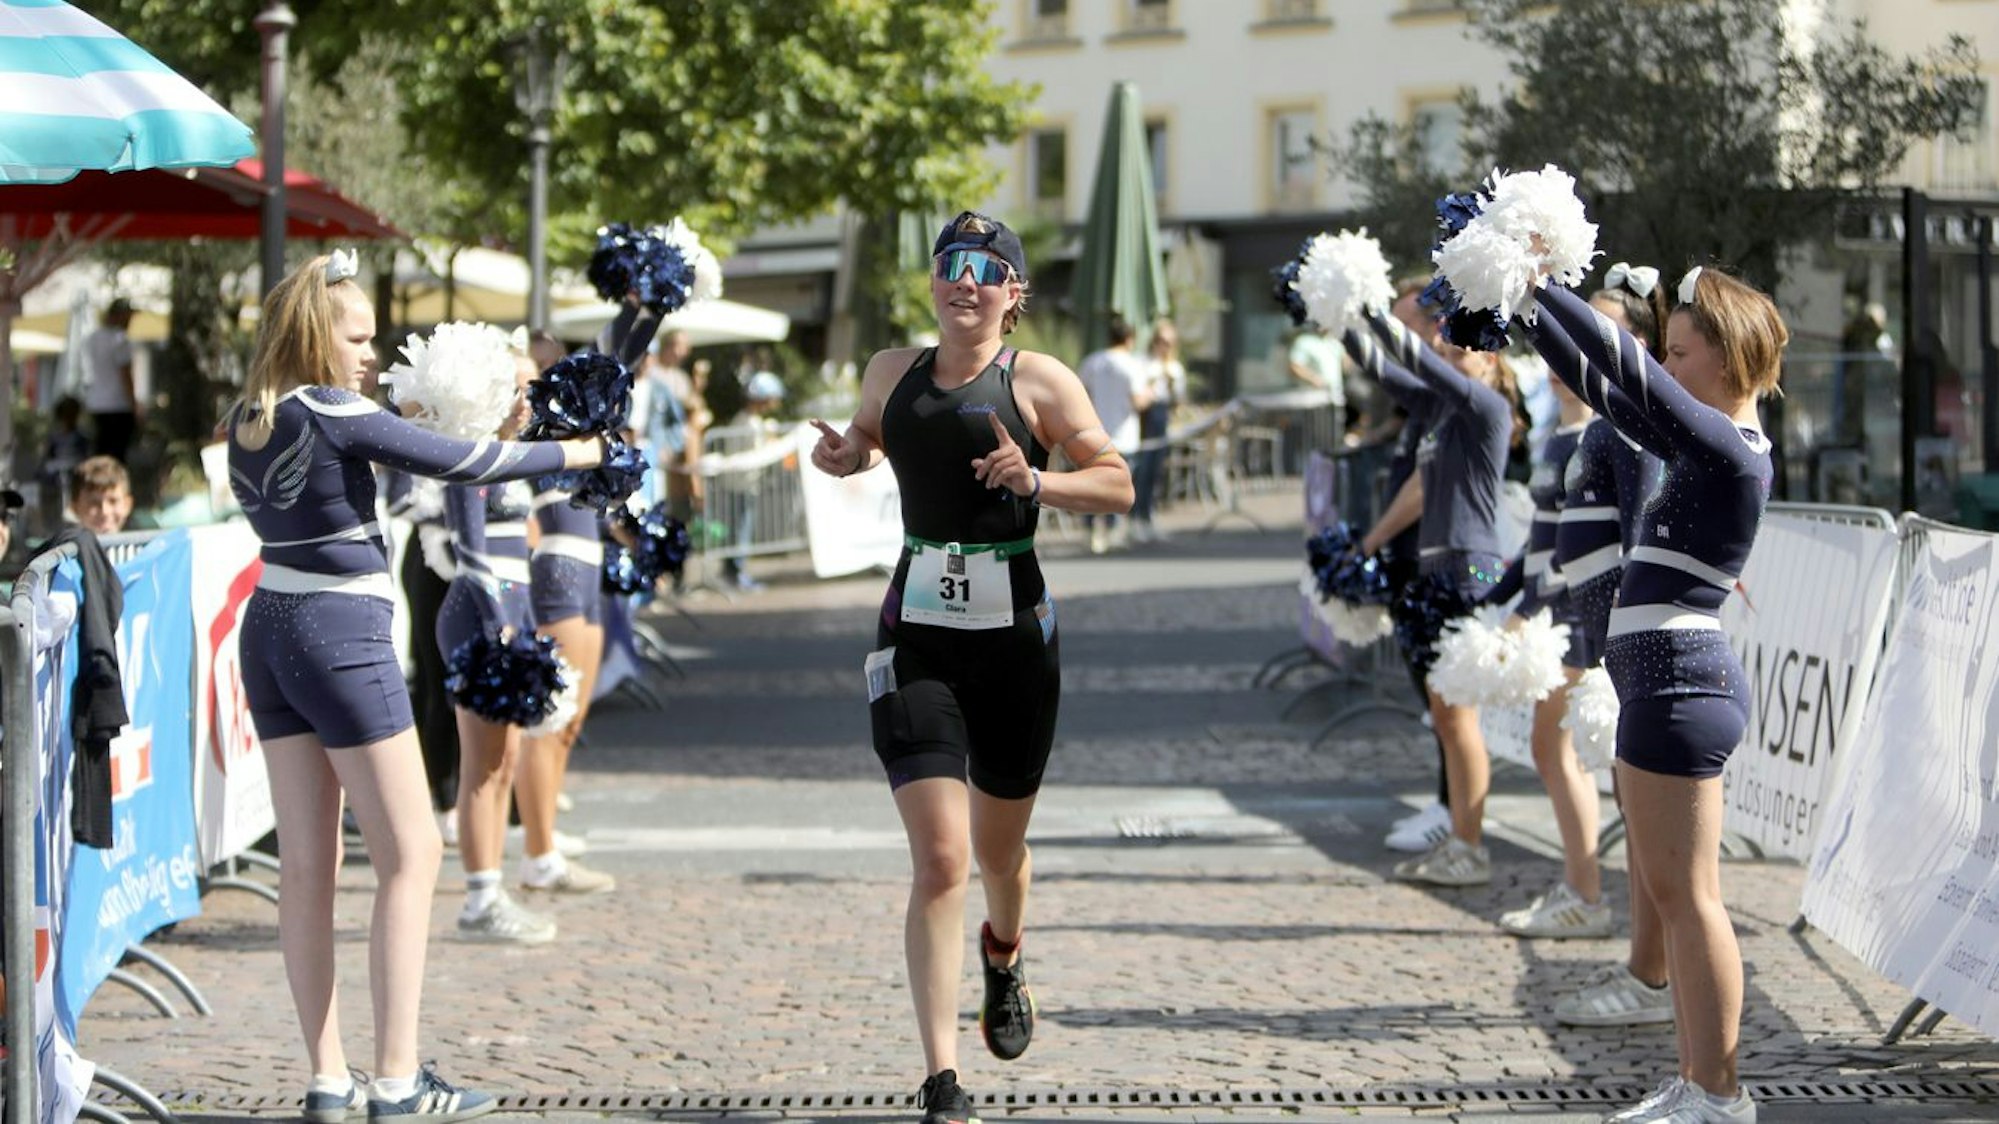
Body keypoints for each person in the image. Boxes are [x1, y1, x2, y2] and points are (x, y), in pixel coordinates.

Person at [226, 252, 605, 1122]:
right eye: (358, 338)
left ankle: (328, 1079)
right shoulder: (335, 409)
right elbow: (469, 463)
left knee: (307, 865)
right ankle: (396, 1082)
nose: (371, 353)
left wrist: (416, 414)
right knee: (413, 853)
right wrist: (582, 449)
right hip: (339, 632)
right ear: (314, 335)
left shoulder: (250, 412)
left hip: (270, 627)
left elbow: (378, 442)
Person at [806, 211, 1132, 1124]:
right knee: (942, 858)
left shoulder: (1041, 382)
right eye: (952, 264)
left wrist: (1038, 482)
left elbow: (1117, 483)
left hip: (1014, 642)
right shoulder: (890, 371)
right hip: (913, 636)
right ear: (932, 280)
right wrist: (846, 455)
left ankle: (1004, 951)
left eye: (987, 270)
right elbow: (869, 435)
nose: (965, 281)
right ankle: (942, 1080)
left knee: (998, 854)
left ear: (1012, 293)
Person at [1520, 267, 1785, 1124]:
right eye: (1664, 353)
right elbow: (1608, 384)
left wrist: (1538, 278)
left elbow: (1623, 369)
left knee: (1689, 897)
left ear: (1728, 357)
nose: (1665, 367)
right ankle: (1695, 1080)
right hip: (1659, 682)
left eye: (1680, 352)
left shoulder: (1726, 446)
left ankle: (1720, 1094)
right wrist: (1521, 307)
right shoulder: (1702, 441)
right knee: (1672, 895)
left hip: (1680, 683)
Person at [1547, 266, 1673, 1024]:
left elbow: (1640, 532)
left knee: (1647, 821)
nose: (1584, 342)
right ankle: (1645, 968)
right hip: (1603, 633)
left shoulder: (1631, 421)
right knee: (1635, 813)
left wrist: (1619, 645)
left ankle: (1650, 977)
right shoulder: (1609, 415)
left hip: (1626, 643)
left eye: (1601, 328)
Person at [1356, 304, 1518, 888]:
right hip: (1435, 569)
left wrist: (1374, 310)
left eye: (1460, 351)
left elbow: (1416, 360)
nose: (1448, 358)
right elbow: (1387, 371)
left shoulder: (1486, 409)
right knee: (1446, 719)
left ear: (1491, 360)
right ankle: (1459, 839)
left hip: (1466, 571)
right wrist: (1342, 317)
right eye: (1446, 350)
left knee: (1459, 717)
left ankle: (1469, 848)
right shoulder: (1440, 411)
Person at [517, 335, 617, 898]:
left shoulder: (571, 421)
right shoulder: (530, 430)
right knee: (549, 721)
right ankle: (538, 854)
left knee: (572, 719)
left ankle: (546, 833)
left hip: (589, 570)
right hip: (557, 571)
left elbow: (620, 353)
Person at [1076, 314, 1149, 553]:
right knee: (1117, 486)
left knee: (1090, 485)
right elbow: (1138, 401)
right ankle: (1112, 531)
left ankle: (1089, 531)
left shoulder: (1092, 362)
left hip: (1093, 435)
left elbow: (1079, 395)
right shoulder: (1133, 365)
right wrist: (1152, 394)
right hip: (1124, 436)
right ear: (1129, 339)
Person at [1130, 319, 1187, 543]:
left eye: (1170, 343)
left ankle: (1148, 515)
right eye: (1162, 341)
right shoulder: (1143, 363)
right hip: (1146, 416)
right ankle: (1135, 518)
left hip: (1163, 414)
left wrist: (1173, 388)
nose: (1165, 346)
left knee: (1155, 470)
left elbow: (1179, 400)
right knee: (1142, 469)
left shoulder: (1175, 367)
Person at [84, 298, 139, 461]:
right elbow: (125, 374)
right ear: (119, 316)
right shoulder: (120, 339)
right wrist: (134, 405)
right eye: (127, 316)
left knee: (101, 453)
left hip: (96, 404)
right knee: (117, 456)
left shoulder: (93, 338)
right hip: (118, 405)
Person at [69, 455, 134, 536]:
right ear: (75, 508)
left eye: (113, 501)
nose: (104, 512)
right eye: (93, 503)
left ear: (127, 505)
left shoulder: (143, 542)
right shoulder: (65, 544)